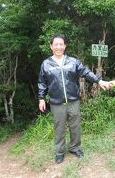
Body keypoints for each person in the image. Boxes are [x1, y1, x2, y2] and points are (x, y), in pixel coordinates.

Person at [38, 34, 110, 164]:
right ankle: (60, 152)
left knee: (75, 126)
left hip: (73, 101)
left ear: (65, 46)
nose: (58, 47)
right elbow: (42, 82)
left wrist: (99, 81)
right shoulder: (46, 64)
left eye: (61, 44)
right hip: (56, 103)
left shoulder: (73, 62)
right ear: (51, 46)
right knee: (59, 128)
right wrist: (41, 98)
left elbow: (86, 73)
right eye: (56, 44)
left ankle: (75, 148)